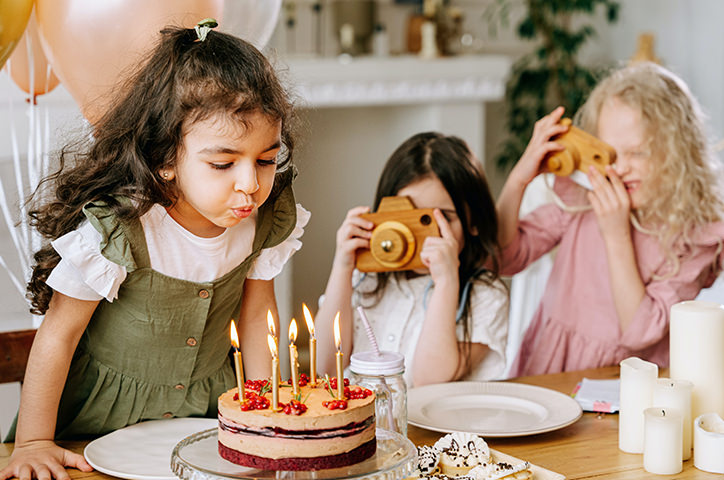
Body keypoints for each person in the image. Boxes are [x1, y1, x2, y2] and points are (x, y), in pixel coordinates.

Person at [0, 22, 309, 480]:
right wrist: (34, 442)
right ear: (166, 159)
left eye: (266, 159)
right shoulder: (117, 230)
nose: (251, 184)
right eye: (223, 163)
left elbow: (256, 311)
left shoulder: (263, 221)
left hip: (208, 414)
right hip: (97, 424)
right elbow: (59, 335)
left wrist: (262, 410)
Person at [497, 62, 724, 376]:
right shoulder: (583, 198)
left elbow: (639, 331)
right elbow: (504, 258)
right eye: (611, 154)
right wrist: (518, 180)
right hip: (552, 371)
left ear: (677, 154)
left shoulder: (696, 236)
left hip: (626, 386)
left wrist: (616, 235)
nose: (620, 169)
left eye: (638, 153)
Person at [316, 133, 508, 388]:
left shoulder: (484, 296)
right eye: (408, 217)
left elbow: (428, 381)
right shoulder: (364, 280)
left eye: (439, 219)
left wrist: (446, 282)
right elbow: (325, 367)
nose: (420, 236)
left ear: (473, 222)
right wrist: (342, 267)